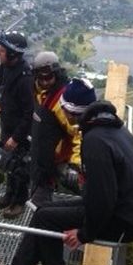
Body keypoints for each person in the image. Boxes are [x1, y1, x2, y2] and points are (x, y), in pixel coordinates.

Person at [0, 78, 133, 265]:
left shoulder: (95, 142)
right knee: (43, 212)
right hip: (130, 212)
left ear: (72, 111)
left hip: (123, 221)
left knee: (46, 220)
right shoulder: (113, 129)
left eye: (64, 107)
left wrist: (85, 234)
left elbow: (104, 198)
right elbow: (104, 195)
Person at [0, 31, 34, 218]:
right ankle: (9, 195)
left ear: (13, 54)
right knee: (8, 163)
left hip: (20, 130)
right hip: (7, 122)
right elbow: (0, 85)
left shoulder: (26, 79)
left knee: (20, 166)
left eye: (2, 50)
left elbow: (30, 113)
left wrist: (16, 138)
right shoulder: (4, 67)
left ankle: (19, 201)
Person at [29, 51, 81, 207]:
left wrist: (75, 164)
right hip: (40, 160)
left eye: (49, 77)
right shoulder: (37, 92)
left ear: (56, 74)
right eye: (41, 78)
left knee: (40, 207)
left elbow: (78, 133)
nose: (45, 82)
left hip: (54, 163)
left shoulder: (61, 101)